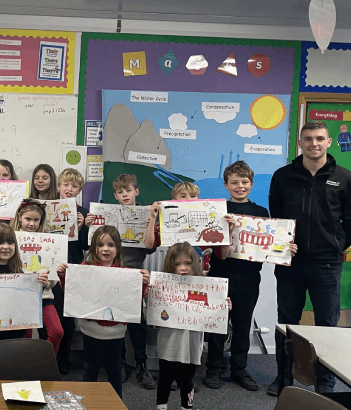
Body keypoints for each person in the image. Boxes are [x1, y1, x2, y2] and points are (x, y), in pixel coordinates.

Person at [268, 121, 351, 395]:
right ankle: (283, 377)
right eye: (308, 138)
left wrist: (335, 245)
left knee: (327, 325)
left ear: (329, 142)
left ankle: (326, 380)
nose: (314, 143)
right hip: (291, 264)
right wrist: (285, 244)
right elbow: (277, 218)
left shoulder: (346, 179)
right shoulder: (282, 176)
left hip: (327, 264)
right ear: (300, 143)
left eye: (319, 138)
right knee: (287, 323)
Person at [203, 161, 295, 391]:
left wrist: (285, 249)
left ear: (252, 185)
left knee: (242, 326)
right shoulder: (219, 211)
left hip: (249, 277)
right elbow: (210, 241)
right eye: (234, 182)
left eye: (244, 182)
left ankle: (239, 370)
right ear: (225, 185)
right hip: (219, 275)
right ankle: (213, 369)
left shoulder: (261, 213)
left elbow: (270, 245)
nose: (239, 186)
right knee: (217, 326)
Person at [56, 225, 150, 399]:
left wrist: (142, 283)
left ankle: (116, 404)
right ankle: (89, 403)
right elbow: (72, 291)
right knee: (90, 367)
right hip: (90, 329)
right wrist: (63, 275)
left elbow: (134, 300)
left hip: (115, 332)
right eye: (100, 245)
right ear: (94, 248)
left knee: (114, 369)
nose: (105, 249)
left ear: (118, 249)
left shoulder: (126, 273)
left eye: (111, 245)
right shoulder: (85, 269)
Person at [88, 173, 157, 389]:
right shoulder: (108, 214)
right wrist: (88, 224)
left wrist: (152, 220)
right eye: (120, 192)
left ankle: (141, 365)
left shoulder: (147, 214)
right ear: (115, 195)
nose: (124, 194)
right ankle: (121, 363)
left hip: (133, 274)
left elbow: (148, 246)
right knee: (115, 319)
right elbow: (95, 244)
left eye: (128, 190)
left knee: (137, 324)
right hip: (108, 273)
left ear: (136, 192)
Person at [153, 242, 231, 410]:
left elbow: (213, 310)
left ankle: (186, 407)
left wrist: (223, 306)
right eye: (178, 264)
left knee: (188, 379)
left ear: (195, 264)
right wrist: (149, 295)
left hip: (192, 344)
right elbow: (152, 312)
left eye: (187, 263)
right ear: (170, 265)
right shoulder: (163, 286)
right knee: (165, 377)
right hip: (169, 342)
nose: (183, 268)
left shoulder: (205, 286)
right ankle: (161, 406)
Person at [11, 199, 64, 355]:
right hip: (20, 297)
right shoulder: (11, 239)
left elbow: (53, 274)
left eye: (36, 220)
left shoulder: (48, 241)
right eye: (28, 219)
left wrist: (48, 282)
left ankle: (45, 361)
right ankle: (26, 365)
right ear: (20, 217)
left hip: (43, 296)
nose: (32, 223)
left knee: (57, 332)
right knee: (25, 338)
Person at [54, 168, 91, 374]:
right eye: (66, 184)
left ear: (79, 190)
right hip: (50, 269)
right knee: (52, 316)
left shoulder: (84, 213)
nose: (69, 189)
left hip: (73, 269)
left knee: (67, 318)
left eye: (74, 186)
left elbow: (86, 247)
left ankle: (64, 358)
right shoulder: (48, 209)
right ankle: (49, 356)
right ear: (59, 186)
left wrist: (81, 227)